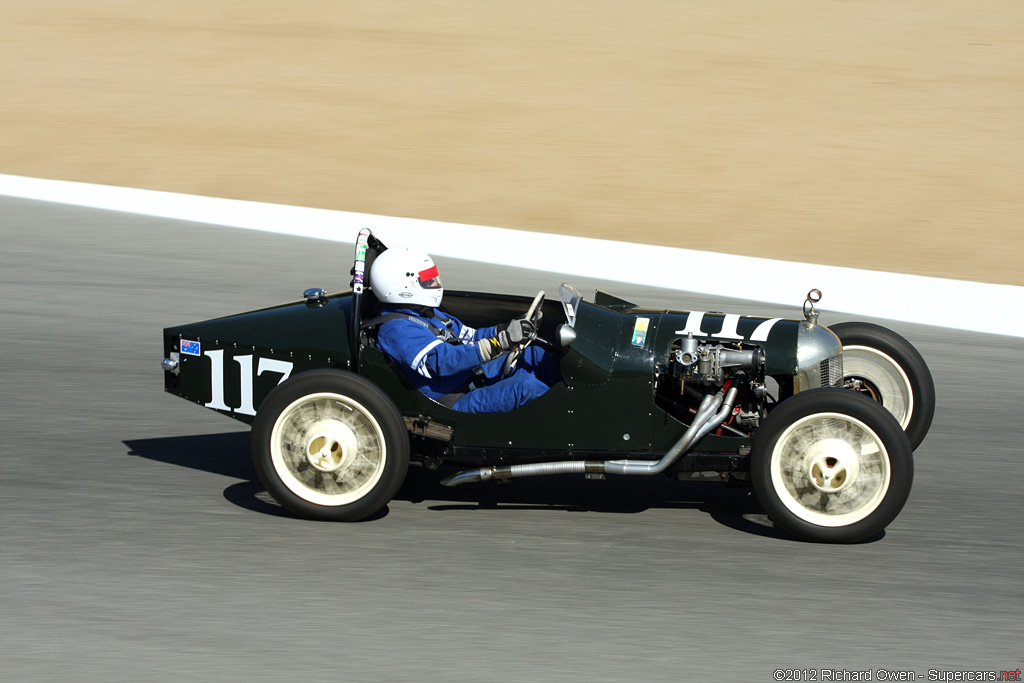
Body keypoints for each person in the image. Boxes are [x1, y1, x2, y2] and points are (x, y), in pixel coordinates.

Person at [367, 245, 561, 413]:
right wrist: (498, 343)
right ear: (402, 286)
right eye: (428, 280)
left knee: (535, 355)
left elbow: (471, 336)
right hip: (452, 404)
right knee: (525, 387)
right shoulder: (397, 331)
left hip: (472, 375)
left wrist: (507, 330)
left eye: (433, 278)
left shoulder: (427, 313)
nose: (435, 284)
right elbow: (442, 361)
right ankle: (570, 424)